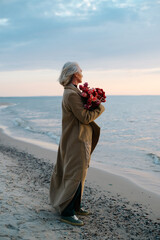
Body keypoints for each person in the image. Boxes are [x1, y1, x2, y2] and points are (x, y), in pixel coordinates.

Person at [50, 62, 105, 226]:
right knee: (75, 174)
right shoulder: (72, 94)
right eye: (80, 70)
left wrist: (91, 100)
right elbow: (84, 118)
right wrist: (99, 107)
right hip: (76, 140)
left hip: (77, 138)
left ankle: (76, 206)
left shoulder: (73, 92)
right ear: (74, 74)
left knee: (80, 173)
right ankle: (67, 213)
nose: (82, 72)